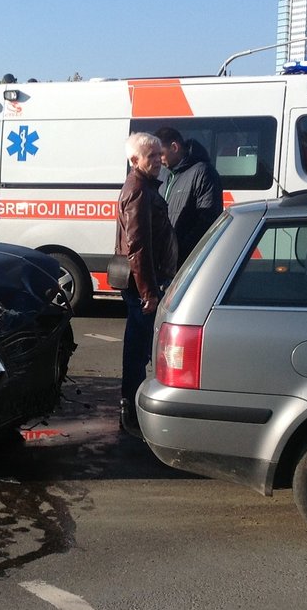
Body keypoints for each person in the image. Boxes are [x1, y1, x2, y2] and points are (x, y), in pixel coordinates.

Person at [114, 132, 177, 436]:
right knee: (138, 350)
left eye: (158, 154)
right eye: (150, 156)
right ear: (134, 160)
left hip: (146, 283)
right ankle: (130, 413)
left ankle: (133, 410)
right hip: (143, 287)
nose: (157, 161)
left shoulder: (145, 186)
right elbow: (137, 246)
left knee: (141, 348)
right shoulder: (138, 189)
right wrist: (149, 293)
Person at [155, 127, 222, 261]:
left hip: (187, 259)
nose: (158, 160)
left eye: (160, 154)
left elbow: (207, 219)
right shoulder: (163, 173)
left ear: (174, 147)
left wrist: (180, 249)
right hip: (166, 257)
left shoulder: (203, 172)